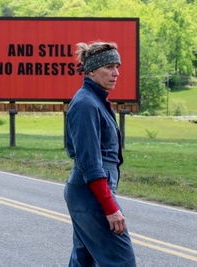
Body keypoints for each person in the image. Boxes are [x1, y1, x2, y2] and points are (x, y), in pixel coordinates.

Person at [64, 41, 136, 266]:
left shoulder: (95, 101)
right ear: (92, 70)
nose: (116, 73)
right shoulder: (86, 104)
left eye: (117, 67)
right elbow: (90, 164)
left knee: (84, 260)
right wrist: (110, 207)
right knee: (121, 261)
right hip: (91, 195)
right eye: (109, 67)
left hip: (88, 194)